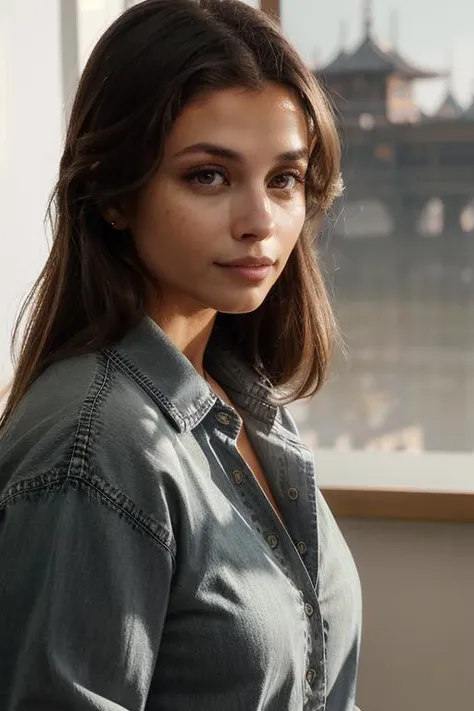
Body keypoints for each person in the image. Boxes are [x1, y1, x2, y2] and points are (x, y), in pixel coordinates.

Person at [0, 1, 362, 709]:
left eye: (284, 178)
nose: (260, 221)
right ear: (113, 192)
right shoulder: (95, 447)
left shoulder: (242, 401)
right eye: (209, 176)